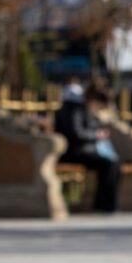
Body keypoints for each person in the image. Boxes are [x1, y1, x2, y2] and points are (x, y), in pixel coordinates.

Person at [55, 80, 120, 212]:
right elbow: (76, 133)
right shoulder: (74, 107)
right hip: (72, 151)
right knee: (109, 163)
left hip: (83, 150)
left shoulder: (82, 107)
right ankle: (103, 205)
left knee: (114, 161)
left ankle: (107, 205)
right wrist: (97, 135)